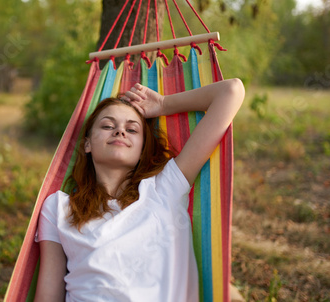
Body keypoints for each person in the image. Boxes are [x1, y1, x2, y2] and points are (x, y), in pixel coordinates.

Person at [34, 78, 245, 302]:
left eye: (132, 129)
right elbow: (48, 294)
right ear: (87, 144)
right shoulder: (59, 206)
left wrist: (164, 104)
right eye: (107, 126)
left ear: (142, 148)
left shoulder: (165, 188)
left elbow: (230, 91)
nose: (119, 132)